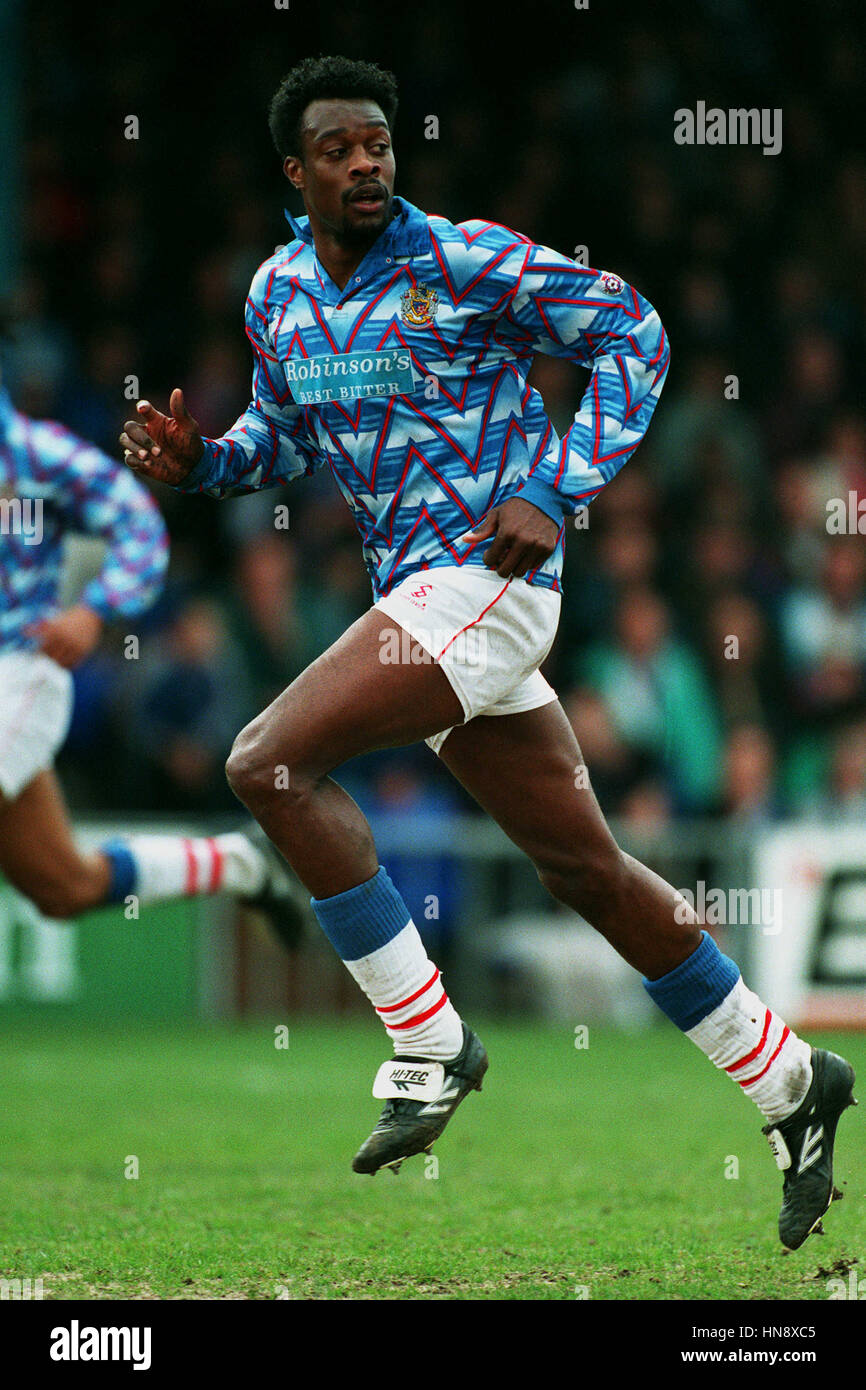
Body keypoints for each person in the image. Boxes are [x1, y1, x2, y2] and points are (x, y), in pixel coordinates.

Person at [120, 55, 854, 1249]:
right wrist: (199, 459)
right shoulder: (277, 295)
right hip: (426, 608)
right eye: (341, 149)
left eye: (380, 144)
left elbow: (635, 333)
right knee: (587, 871)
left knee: (267, 762)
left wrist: (558, 488)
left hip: (486, 583)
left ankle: (427, 1039)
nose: (367, 163)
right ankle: (785, 1079)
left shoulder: (464, 258)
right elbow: (278, 438)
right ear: (293, 171)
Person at [0, 376, 301, 940]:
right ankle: (236, 861)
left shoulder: (38, 456)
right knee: (63, 886)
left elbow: (138, 525)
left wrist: (94, 610)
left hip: (18, 671)